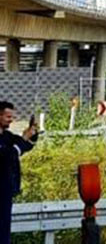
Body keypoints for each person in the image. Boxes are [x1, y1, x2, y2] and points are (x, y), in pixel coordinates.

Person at [0, 101, 37, 244]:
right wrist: (22, 140)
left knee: (4, 231)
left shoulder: (7, 136)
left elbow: (24, 145)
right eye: (8, 117)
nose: (11, 120)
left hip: (6, 190)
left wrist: (32, 134)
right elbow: (8, 156)